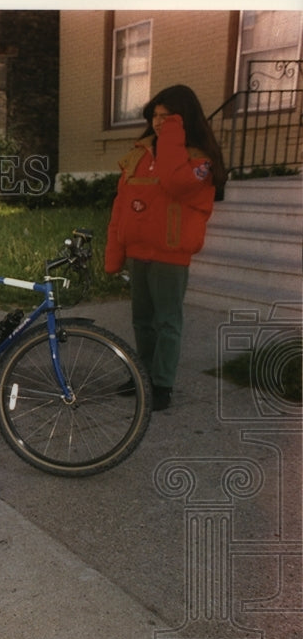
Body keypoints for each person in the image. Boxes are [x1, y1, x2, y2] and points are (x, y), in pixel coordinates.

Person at [104, 84, 226, 411]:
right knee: (142, 321)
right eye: (156, 116)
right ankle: (143, 376)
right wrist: (114, 252)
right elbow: (121, 206)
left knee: (167, 322)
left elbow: (176, 183)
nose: (159, 122)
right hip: (138, 254)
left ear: (184, 119)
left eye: (168, 117)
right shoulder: (138, 156)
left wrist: (172, 138)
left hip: (171, 256)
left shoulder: (201, 161)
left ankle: (162, 385)